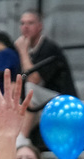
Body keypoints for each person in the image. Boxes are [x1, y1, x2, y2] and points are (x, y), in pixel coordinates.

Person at [14, 8, 75, 138]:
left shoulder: (48, 47)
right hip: (41, 102)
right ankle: (10, 141)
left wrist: (23, 52)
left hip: (63, 99)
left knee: (29, 90)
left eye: (30, 23)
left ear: (40, 26)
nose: (25, 27)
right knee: (8, 101)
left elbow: (35, 80)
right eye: (22, 23)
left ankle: (21, 140)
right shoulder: (27, 49)